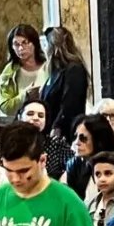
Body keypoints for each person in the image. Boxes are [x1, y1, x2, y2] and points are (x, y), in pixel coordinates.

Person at [39, 25, 90, 177]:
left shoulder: (74, 69)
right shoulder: (55, 71)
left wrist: (57, 127)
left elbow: (70, 105)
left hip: (64, 136)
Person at [61, 113, 114, 199]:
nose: (76, 142)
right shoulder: (73, 164)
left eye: (83, 138)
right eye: (75, 136)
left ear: (98, 140)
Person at [0, 23, 46, 119]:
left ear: (35, 43)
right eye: (16, 44)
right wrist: (25, 95)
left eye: (25, 43)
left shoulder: (48, 66)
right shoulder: (9, 71)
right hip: (21, 121)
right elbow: (5, 107)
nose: (20, 48)